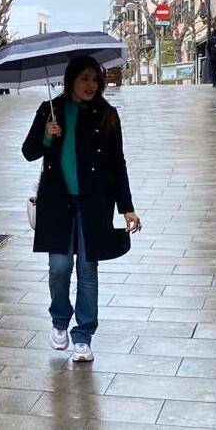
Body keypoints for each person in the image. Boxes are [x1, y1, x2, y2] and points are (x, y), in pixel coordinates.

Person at [21, 56, 141, 362]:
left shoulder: (107, 114)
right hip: (57, 202)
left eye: (95, 79)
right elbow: (29, 152)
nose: (91, 85)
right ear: (71, 79)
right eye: (84, 78)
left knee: (87, 270)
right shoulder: (51, 110)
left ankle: (84, 334)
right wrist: (48, 135)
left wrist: (126, 207)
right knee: (59, 269)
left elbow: (118, 164)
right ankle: (60, 320)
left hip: (94, 204)